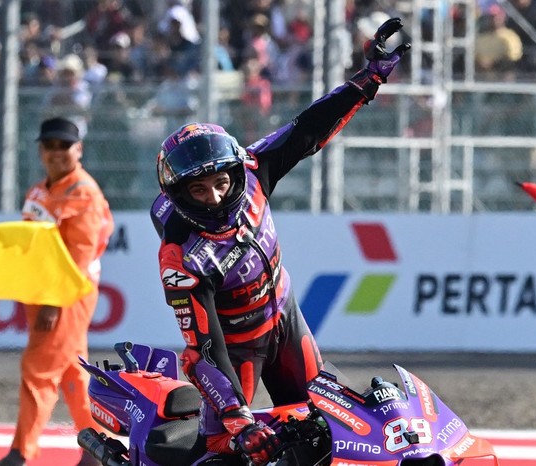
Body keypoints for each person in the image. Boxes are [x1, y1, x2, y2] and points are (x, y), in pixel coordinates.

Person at [150, 17, 410, 466]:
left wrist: (371, 76)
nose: (213, 196)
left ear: (234, 171)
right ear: (179, 195)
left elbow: (308, 129)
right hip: (236, 348)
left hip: (287, 320)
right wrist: (240, 422)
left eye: (218, 182)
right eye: (197, 189)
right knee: (228, 451)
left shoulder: (253, 170)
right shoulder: (182, 258)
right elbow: (203, 353)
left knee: (326, 431)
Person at [0, 117, 114, 466]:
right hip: (42, 292)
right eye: (49, 146)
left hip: (65, 296)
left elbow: (79, 258)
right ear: (40, 150)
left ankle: (20, 453)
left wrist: (54, 302)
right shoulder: (38, 191)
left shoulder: (84, 192)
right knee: (73, 374)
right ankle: (97, 452)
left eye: (63, 146)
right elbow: (27, 251)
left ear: (78, 149)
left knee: (38, 369)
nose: (56, 153)